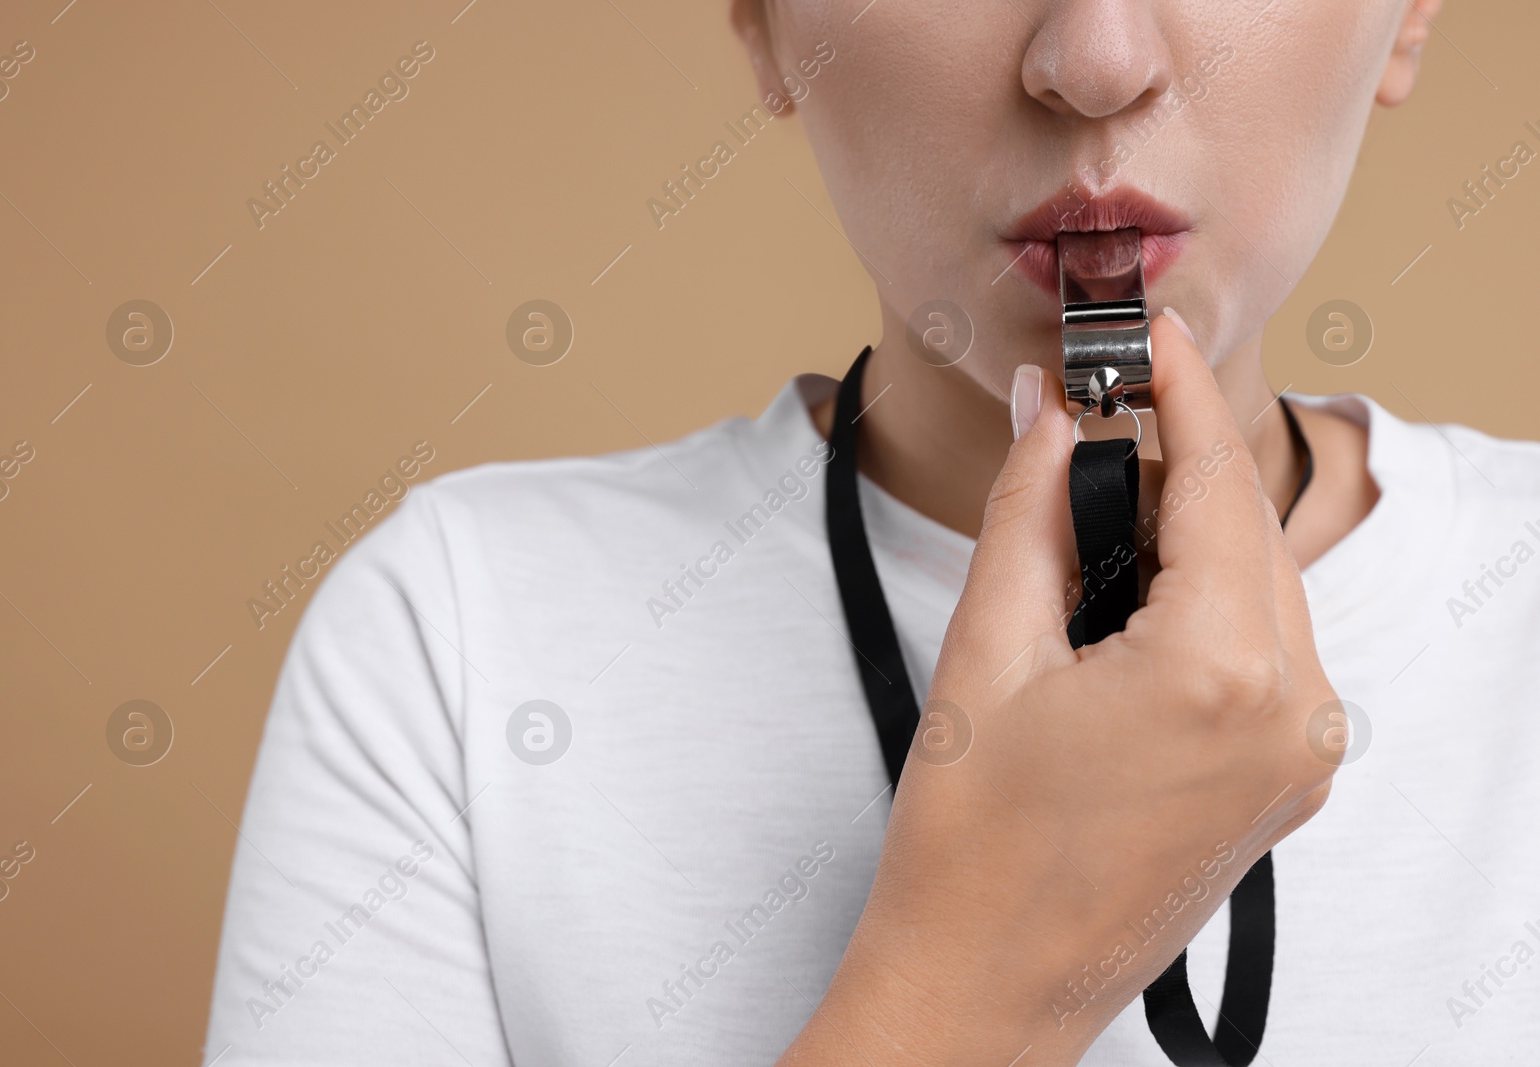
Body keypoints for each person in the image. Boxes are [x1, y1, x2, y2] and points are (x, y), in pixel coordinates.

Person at [205, 0, 1540, 1063]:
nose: (1093, 62)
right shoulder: (462, 636)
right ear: (760, 22)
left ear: (1410, 14)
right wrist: (965, 992)